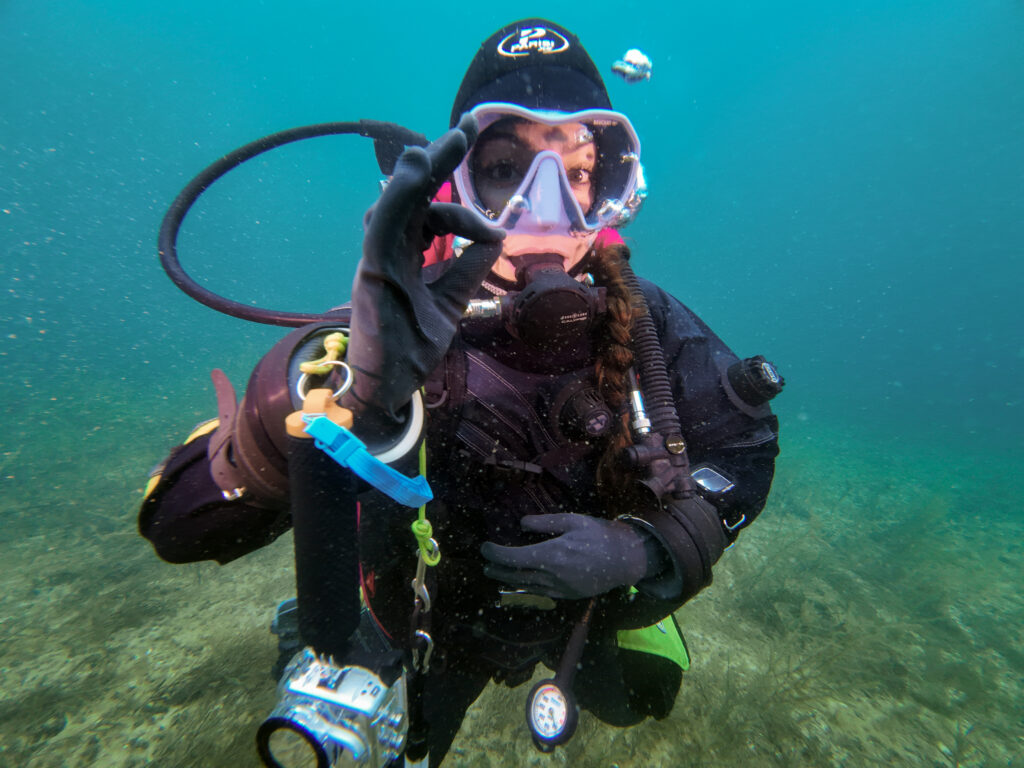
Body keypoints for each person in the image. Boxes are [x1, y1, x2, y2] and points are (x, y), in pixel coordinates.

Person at [139, 19, 781, 768]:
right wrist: (352, 396)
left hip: (590, 606)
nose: (550, 214)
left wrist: (648, 548)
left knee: (645, 697)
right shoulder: (399, 332)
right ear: (455, 187)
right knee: (398, 751)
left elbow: (745, 449)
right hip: (440, 618)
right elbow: (176, 529)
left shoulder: (648, 322)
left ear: (611, 190)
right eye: (508, 171)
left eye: (577, 175)